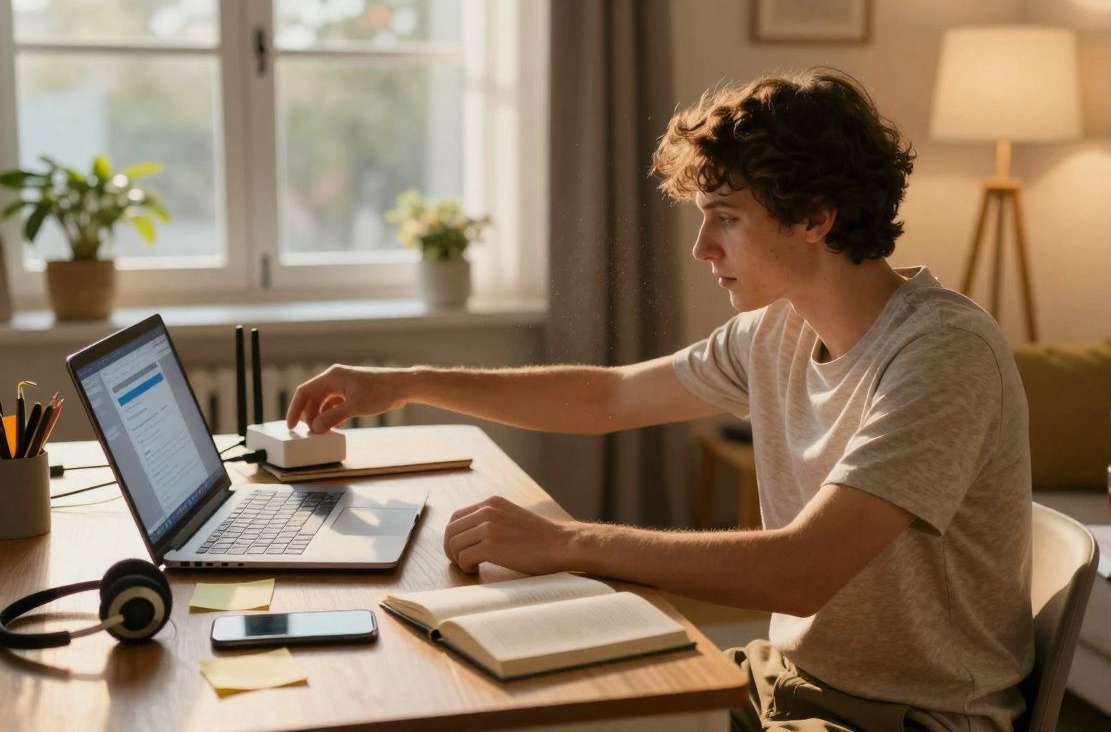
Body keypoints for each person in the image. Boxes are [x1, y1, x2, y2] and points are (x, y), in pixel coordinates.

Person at [286, 68, 1034, 732]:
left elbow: (802, 571)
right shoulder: (774, 331)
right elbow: (607, 396)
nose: (702, 248)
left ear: (814, 217)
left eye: (727, 218)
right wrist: (407, 382)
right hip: (788, 684)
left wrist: (568, 542)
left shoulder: (942, 353)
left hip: (911, 717)